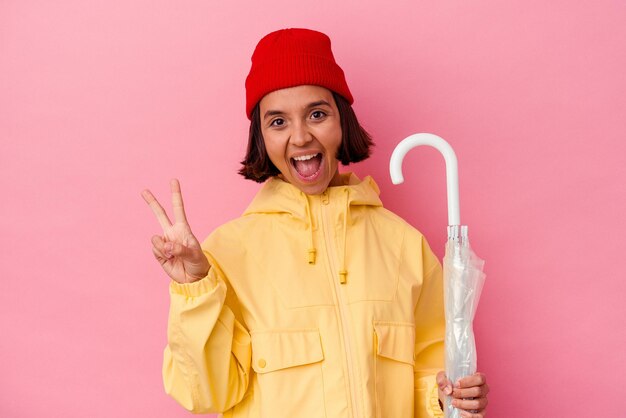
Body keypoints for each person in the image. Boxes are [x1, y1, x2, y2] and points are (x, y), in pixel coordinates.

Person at [142, 28, 489, 418]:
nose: (301, 136)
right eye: (278, 122)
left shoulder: (404, 244)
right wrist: (194, 288)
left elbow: (430, 371)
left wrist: (446, 399)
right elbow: (205, 393)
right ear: (261, 136)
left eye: (317, 114)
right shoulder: (225, 253)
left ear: (343, 121)